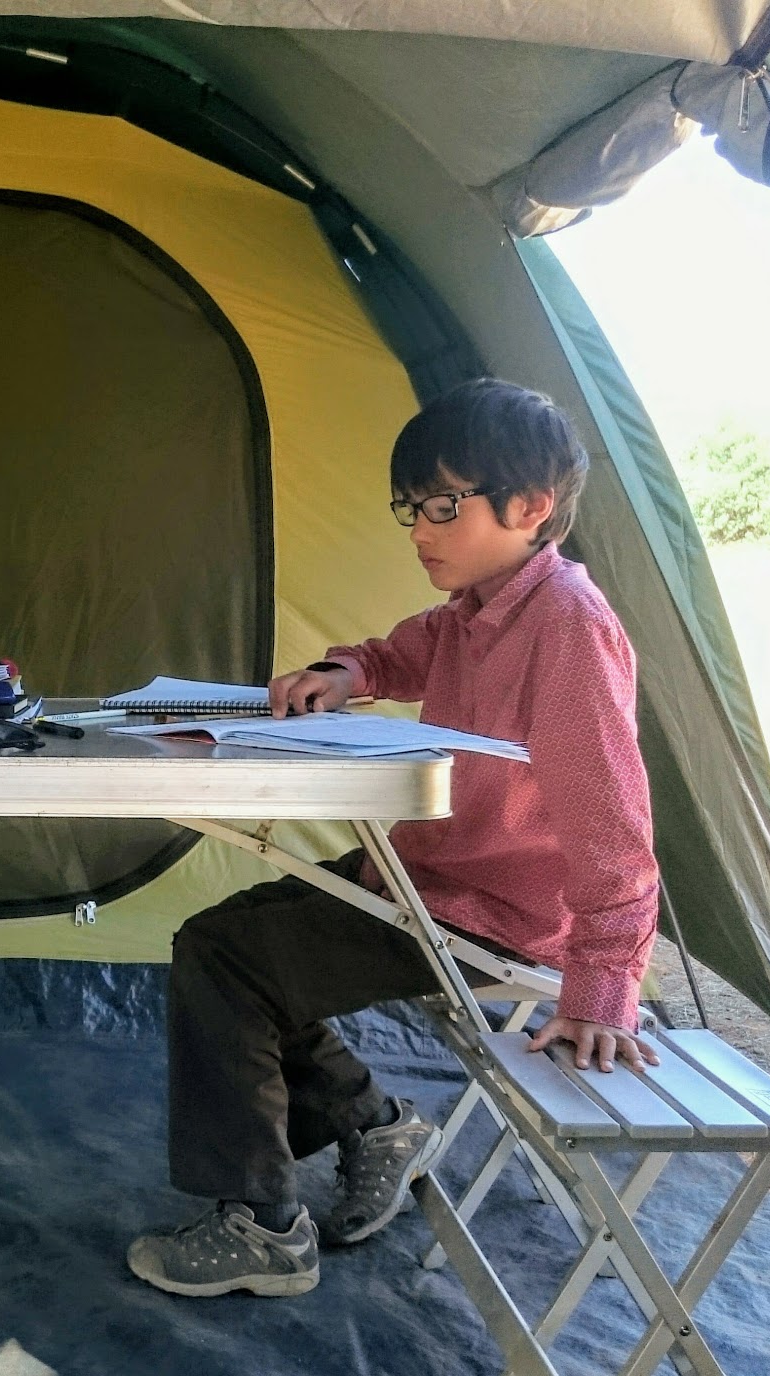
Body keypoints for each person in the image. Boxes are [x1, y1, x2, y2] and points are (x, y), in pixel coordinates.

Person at [127, 378, 661, 1300]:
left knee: (229, 960)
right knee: (226, 941)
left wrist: (604, 980)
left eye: (443, 506)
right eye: (410, 508)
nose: (419, 529)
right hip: (416, 874)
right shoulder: (477, 608)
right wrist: (343, 672)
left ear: (530, 508)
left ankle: (263, 1226)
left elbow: (612, 819)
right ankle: (372, 1123)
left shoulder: (568, 624)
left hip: (491, 910)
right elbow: (395, 654)